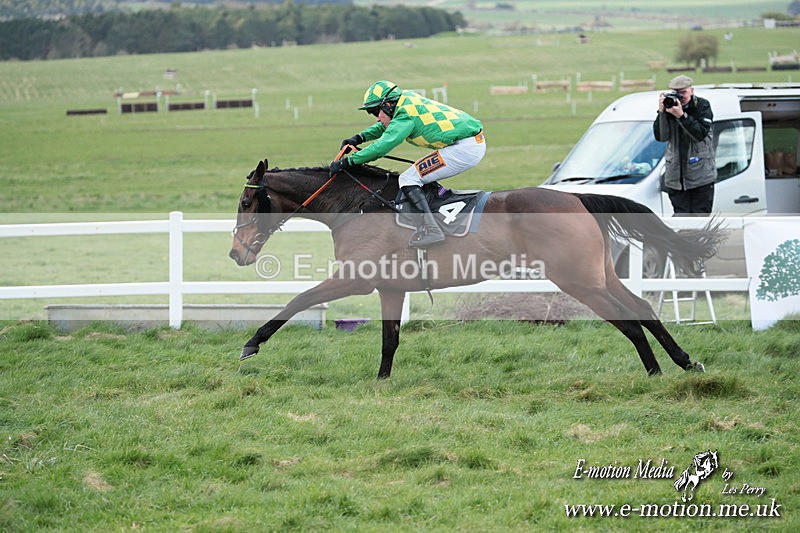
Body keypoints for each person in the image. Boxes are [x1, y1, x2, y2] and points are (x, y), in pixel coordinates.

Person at [330, 80, 485, 247]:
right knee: (417, 174)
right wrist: (360, 137)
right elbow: (386, 126)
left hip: (465, 148)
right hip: (467, 143)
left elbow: (380, 148)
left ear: (388, 104)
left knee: (409, 179)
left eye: (376, 111)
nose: (377, 118)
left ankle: (433, 231)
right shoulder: (405, 102)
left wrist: (348, 162)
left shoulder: (405, 117)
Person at [653, 75, 716, 216]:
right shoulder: (670, 107)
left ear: (692, 91)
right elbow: (661, 137)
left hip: (700, 177)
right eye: (676, 93)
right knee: (681, 218)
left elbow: (699, 134)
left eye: (683, 93)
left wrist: (682, 116)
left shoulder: (702, 106)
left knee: (700, 219)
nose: (680, 97)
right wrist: (662, 113)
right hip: (675, 179)